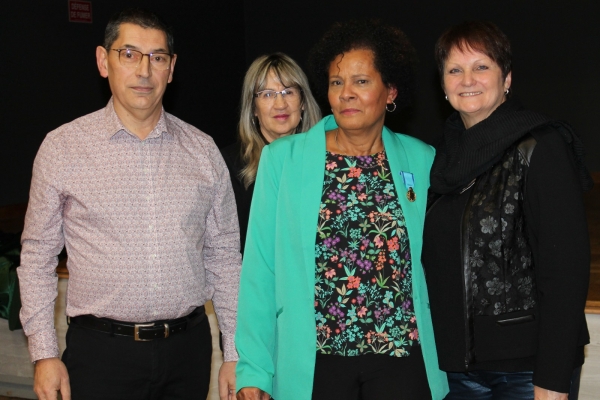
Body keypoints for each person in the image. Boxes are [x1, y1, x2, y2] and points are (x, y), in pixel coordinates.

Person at [17, 8, 241, 400]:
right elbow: (37, 259)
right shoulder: (63, 148)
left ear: (171, 69)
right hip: (100, 354)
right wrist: (44, 354)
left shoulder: (203, 151)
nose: (144, 71)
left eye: (157, 58)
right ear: (104, 61)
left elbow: (224, 259)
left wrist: (236, 353)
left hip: (187, 350)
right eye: (129, 54)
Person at [235, 19, 449, 400]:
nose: (346, 93)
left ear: (390, 91)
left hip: (401, 358)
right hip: (317, 363)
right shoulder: (282, 160)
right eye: (337, 83)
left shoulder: (421, 159)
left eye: (361, 82)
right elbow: (259, 271)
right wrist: (254, 369)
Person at [424, 21, 592, 400]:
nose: (468, 78)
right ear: (443, 85)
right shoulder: (437, 159)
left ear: (507, 78)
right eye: (454, 69)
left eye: (481, 66)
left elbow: (566, 271)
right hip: (453, 369)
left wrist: (552, 376)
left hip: (527, 369)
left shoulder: (540, 146)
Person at [221, 53, 321, 253]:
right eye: (267, 94)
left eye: (288, 92)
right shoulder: (228, 165)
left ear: (302, 102)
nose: (280, 104)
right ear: (254, 109)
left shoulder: (326, 159)